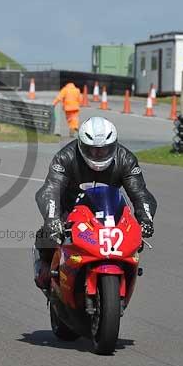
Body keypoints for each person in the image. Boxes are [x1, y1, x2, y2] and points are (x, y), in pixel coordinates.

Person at [32, 117, 157, 289]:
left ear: (114, 145)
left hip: (110, 213)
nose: (99, 155)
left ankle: (125, 275)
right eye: (93, 150)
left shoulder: (126, 159)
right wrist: (52, 220)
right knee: (45, 237)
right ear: (81, 145)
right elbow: (50, 190)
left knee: (136, 242)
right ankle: (50, 276)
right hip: (70, 211)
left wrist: (146, 220)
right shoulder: (65, 157)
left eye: (105, 150)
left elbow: (140, 193)